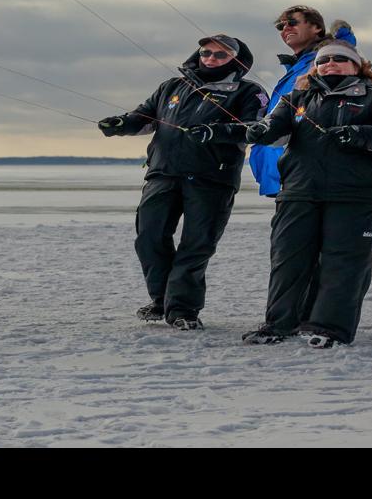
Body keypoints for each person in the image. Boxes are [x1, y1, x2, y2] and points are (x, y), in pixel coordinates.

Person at [207, 40, 372, 348]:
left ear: (357, 66)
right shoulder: (296, 98)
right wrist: (260, 132)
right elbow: (273, 129)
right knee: (288, 259)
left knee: (342, 264)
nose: (330, 64)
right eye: (324, 60)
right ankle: (279, 323)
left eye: (339, 59)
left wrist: (360, 135)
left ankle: (330, 328)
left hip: (357, 197)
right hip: (299, 193)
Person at [97, 35, 267, 329]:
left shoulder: (248, 92)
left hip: (211, 178)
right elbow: (144, 117)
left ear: (236, 61)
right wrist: (121, 125)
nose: (211, 58)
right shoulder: (172, 86)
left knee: (196, 245)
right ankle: (162, 300)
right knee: (149, 238)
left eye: (220, 55)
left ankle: (183, 310)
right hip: (163, 173)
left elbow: (257, 128)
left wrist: (218, 132)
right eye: (207, 53)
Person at [247, 7, 356, 199]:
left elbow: (345, 59)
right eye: (281, 26)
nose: (285, 28)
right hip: (283, 172)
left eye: (292, 22)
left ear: (316, 27)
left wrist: (341, 41)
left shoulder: (321, 60)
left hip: (307, 173)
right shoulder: (295, 68)